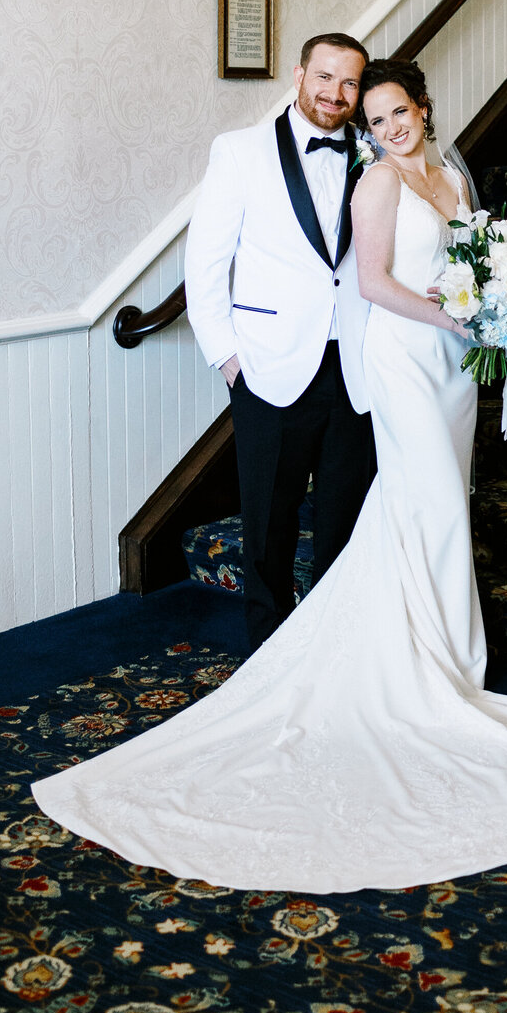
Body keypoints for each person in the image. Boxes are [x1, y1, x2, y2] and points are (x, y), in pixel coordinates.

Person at [31, 57, 507, 893]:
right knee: (422, 504)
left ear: (421, 108)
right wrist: (449, 314)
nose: (385, 126)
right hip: (399, 356)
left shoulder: (453, 171)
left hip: (453, 366)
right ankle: (430, 670)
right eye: (372, 116)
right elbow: (372, 281)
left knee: (428, 504)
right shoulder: (366, 182)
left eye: (394, 112)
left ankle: (446, 661)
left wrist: (498, 305)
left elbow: (469, 256)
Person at [184, 32, 375, 650]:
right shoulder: (239, 152)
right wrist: (228, 359)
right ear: (299, 76)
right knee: (268, 522)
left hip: (355, 364)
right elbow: (205, 264)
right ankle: (267, 657)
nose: (336, 94)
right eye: (325, 78)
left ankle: (328, 652)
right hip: (266, 366)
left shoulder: (375, 154)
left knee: (343, 519)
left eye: (350, 83)